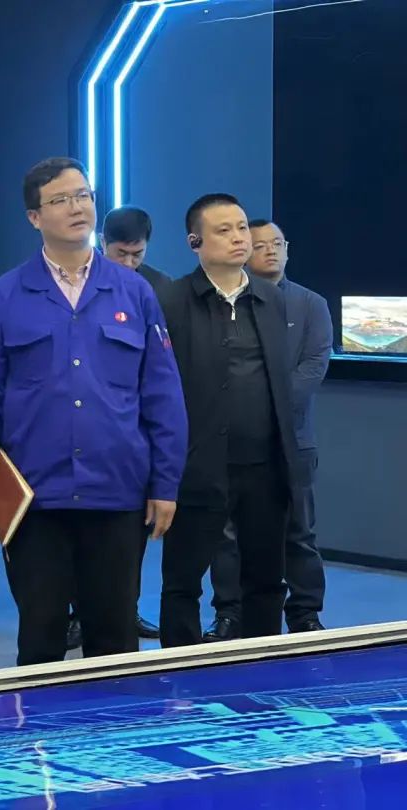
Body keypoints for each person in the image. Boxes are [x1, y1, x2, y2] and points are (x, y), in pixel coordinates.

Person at [0, 157, 187, 666]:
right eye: (60, 199)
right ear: (34, 217)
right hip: (35, 499)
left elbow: (163, 395)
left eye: (83, 195)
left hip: (117, 492)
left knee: (115, 637)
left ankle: (113, 722)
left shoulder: (135, 292)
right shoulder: (4, 297)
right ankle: (39, 722)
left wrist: (166, 484)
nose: (77, 207)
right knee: (40, 636)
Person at [159, 194, 300, 648]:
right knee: (182, 581)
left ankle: (261, 661)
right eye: (224, 230)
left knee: (266, 578)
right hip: (197, 464)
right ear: (194, 242)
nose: (240, 237)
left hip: (263, 465)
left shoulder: (270, 298)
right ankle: (178, 668)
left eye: (242, 227)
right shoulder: (171, 300)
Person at [205, 219, 332, 640]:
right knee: (227, 536)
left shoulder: (311, 304)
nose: (271, 251)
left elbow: (313, 368)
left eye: (278, 243)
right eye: (261, 245)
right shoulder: (227, 304)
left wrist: (263, 408)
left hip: (294, 440)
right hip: (234, 442)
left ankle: (305, 613)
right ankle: (229, 613)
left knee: (300, 531)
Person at [100, 205, 170, 642]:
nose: (128, 263)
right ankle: (78, 612)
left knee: (130, 540)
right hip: (94, 427)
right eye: (120, 254)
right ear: (102, 244)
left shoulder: (159, 289)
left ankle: (127, 608)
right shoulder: (83, 286)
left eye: (137, 254)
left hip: (137, 435)